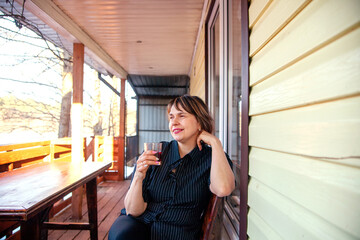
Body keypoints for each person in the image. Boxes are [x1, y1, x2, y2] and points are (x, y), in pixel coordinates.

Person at [108, 95, 235, 240]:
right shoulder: (156, 152)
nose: (174, 122)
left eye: (181, 116)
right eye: (171, 117)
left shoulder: (211, 158)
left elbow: (223, 188)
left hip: (177, 232)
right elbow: (133, 211)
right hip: (140, 224)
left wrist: (215, 142)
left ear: (199, 121)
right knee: (122, 236)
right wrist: (138, 175)